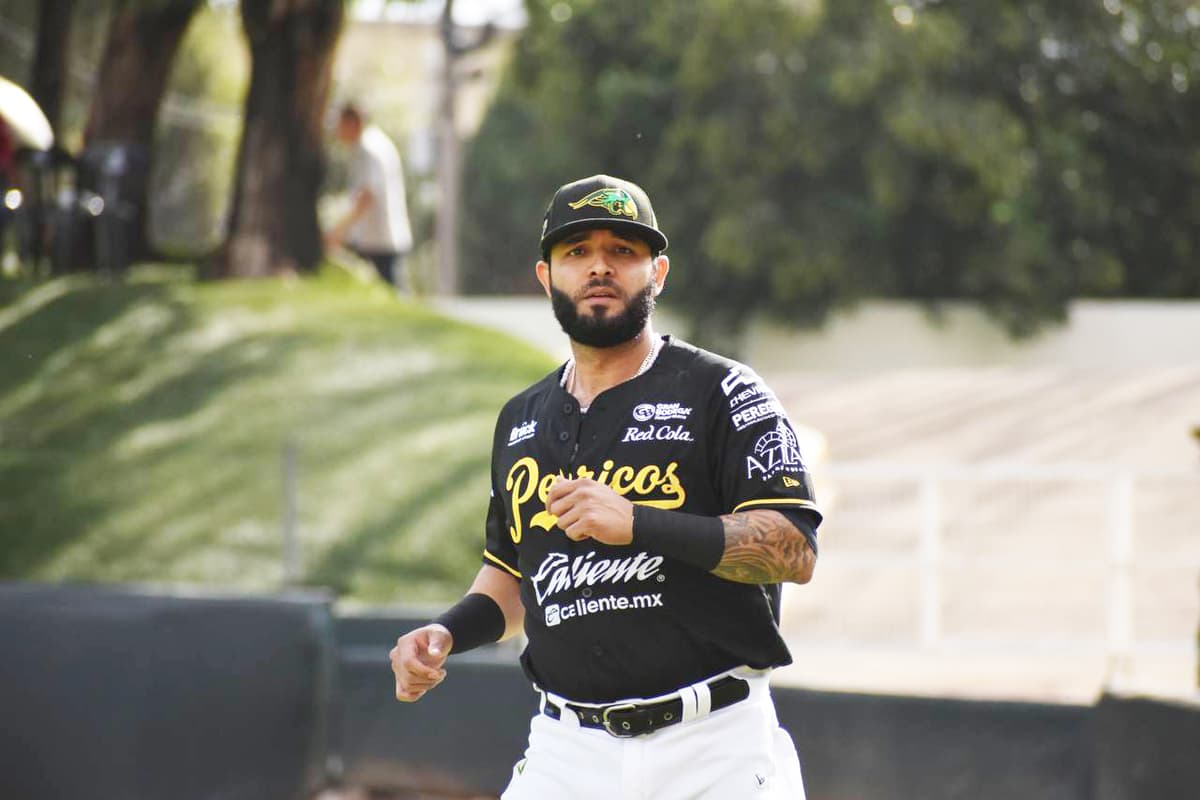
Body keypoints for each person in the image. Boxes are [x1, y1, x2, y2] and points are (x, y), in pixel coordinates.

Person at [389, 174, 822, 799]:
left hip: (713, 745)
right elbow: (512, 576)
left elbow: (793, 549)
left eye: (622, 250)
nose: (599, 267)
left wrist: (639, 524)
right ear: (547, 277)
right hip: (567, 751)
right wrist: (447, 633)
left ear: (658, 272)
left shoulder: (724, 392)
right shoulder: (520, 420)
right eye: (577, 252)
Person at [324, 103, 413, 290]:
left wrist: (339, 232)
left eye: (340, 125)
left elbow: (367, 197)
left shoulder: (369, 149)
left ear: (353, 122)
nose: (337, 132)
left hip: (381, 240)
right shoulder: (365, 146)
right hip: (374, 238)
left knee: (391, 290)